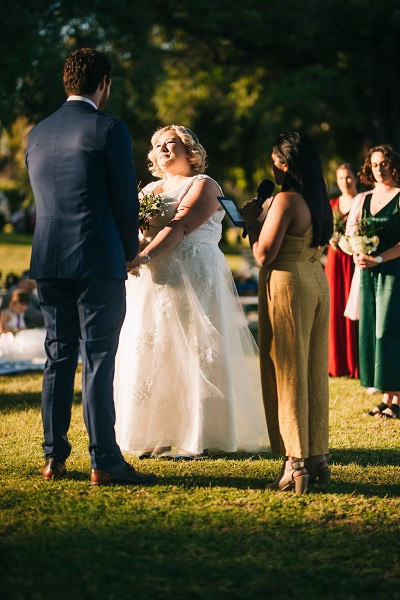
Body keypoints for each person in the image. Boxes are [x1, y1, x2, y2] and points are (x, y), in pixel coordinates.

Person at [25, 48, 157, 485]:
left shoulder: (37, 133)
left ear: (67, 82)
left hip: (48, 259)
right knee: (98, 359)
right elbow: (124, 199)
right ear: (103, 83)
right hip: (97, 258)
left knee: (58, 357)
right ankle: (104, 460)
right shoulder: (109, 129)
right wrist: (128, 251)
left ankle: (53, 458)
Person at [114, 125, 268, 459]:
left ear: (189, 150)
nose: (162, 149)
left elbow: (181, 225)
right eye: (157, 145)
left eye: (170, 143)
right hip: (152, 280)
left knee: (195, 348)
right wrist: (131, 251)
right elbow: (137, 231)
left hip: (194, 275)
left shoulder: (204, 185)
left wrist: (144, 256)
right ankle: (157, 433)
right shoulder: (149, 189)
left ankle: (196, 435)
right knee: (156, 350)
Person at [242, 132, 333, 494]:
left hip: (287, 282)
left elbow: (264, 254)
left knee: (288, 371)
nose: (272, 169)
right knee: (312, 368)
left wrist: (251, 221)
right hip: (315, 279)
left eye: (274, 162)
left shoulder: (285, 200)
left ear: (285, 163)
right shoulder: (318, 199)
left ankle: (294, 463)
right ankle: (317, 456)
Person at [352, 145, 400, 419]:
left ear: (393, 165)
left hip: (393, 270)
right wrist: (357, 253)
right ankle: (386, 397)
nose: (379, 169)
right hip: (368, 272)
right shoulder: (365, 198)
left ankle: (397, 399)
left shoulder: (399, 197)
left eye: (383, 163)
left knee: (388, 330)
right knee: (371, 330)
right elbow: (355, 233)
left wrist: (380, 258)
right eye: (374, 164)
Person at [325, 163, 359, 378]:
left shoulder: (362, 201)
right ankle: (337, 363)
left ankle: (355, 361)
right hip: (335, 259)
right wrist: (331, 239)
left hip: (354, 259)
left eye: (348, 177)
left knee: (353, 304)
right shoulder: (332, 205)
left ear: (356, 178)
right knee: (335, 305)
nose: (345, 182)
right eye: (340, 178)